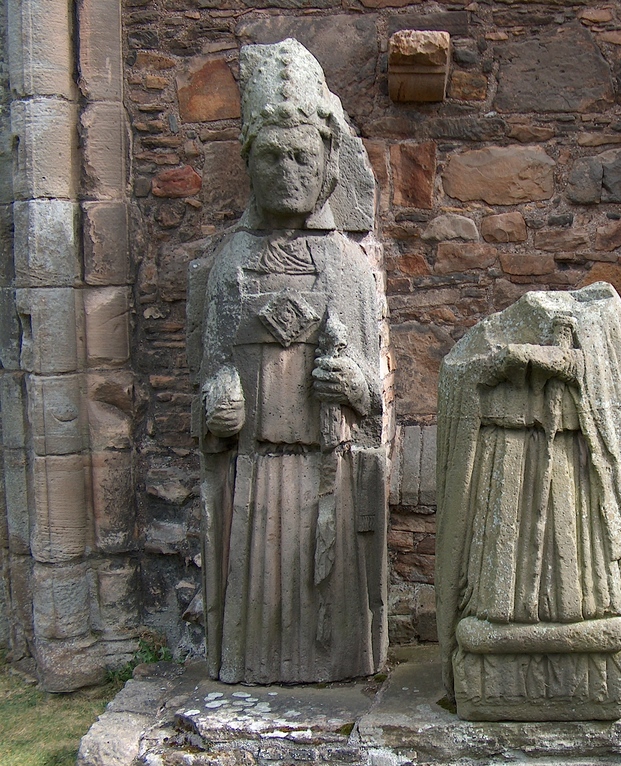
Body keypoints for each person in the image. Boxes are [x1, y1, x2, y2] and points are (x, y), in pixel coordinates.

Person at [190, 38, 386, 684]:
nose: (286, 170)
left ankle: (337, 665)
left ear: (327, 159)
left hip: (328, 477)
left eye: (301, 155)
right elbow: (208, 381)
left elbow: (375, 402)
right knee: (261, 620)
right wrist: (217, 408)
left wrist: (354, 384)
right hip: (256, 484)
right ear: (249, 163)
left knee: (329, 617)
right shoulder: (230, 266)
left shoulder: (348, 270)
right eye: (271, 156)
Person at [435, 284, 621, 720]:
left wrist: (570, 365)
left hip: (576, 462)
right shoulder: (485, 341)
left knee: (581, 589)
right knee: (499, 592)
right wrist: (498, 366)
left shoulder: (602, 318)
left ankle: (591, 652)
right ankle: (493, 658)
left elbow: (612, 383)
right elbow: (459, 377)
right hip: (505, 461)